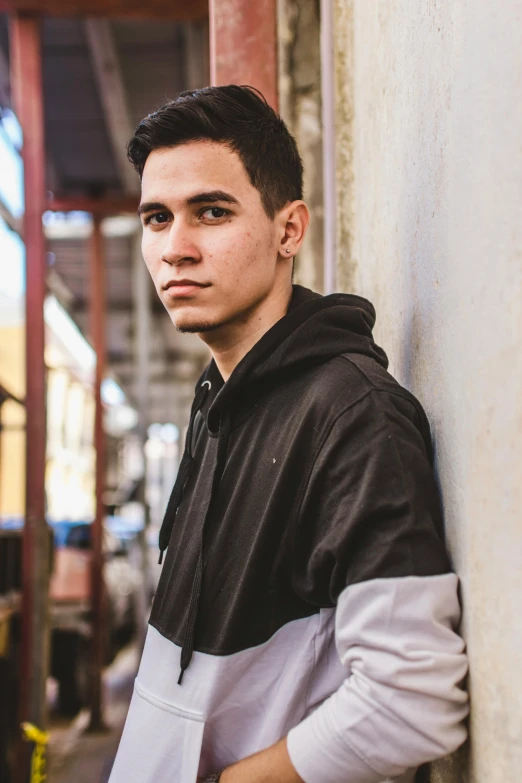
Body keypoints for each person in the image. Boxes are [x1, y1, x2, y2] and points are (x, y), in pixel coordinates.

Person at [109, 85, 468, 783]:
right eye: (157, 217)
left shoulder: (352, 414)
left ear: (289, 229)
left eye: (211, 212)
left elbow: (411, 699)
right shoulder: (219, 401)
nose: (175, 248)